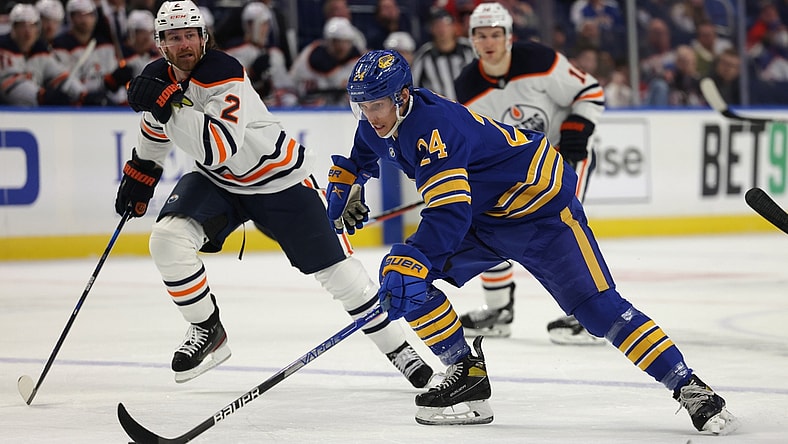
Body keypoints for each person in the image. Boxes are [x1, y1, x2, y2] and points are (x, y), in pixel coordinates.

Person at [326, 48, 739, 434]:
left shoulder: (435, 129)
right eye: (362, 106)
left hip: (541, 214)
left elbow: (449, 214)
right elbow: (365, 152)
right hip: (487, 215)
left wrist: (418, 255)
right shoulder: (380, 120)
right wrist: (352, 183)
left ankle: (688, 385)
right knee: (405, 277)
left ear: (401, 97)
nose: (370, 115)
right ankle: (466, 377)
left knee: (599, 312)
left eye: (377, 105)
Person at [114, 0, 433, 389]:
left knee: (344, 278)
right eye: (174, 38)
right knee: (166, 241)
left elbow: (217, 147)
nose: (184, 45)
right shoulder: (158, 79)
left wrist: (167, 108)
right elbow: (155, 130)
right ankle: (207, 329)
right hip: (220, 182)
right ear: (161, 43)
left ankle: (399, 349)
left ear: (204, 37)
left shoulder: (224, 73)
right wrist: (142, 171)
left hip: (280, 180)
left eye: (191, 36)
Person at [453, 2, 605, 344]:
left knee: (562, 227)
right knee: (483, 221)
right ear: (472, 40)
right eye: (481, 35)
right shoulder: (467, 85)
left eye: (496, 34)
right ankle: (498, 311)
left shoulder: (539, 60)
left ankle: (588, 311)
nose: (489, 42)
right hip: (520, 167)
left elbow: (590, 91)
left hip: (565, 155)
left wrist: (575, 133)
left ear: (509, 37)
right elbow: (479, 136)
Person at [0, 3, 86, 106]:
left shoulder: (40, 50)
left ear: (38, 29)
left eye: (32, 26)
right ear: (13, 28)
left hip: (33, 112)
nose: (28, 32)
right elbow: (9, 86)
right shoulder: (3, 51)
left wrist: (82, 94)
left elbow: (58, 74)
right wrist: (41, 96)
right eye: (22, 26)